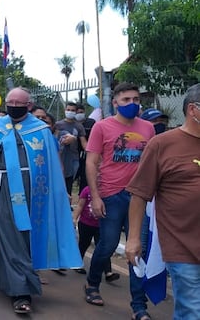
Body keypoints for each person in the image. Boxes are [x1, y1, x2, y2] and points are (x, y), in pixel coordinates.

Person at [0, 87, 81, 314]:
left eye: (19, 103)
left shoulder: (41, 130)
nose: (14, 106)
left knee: (26, 238)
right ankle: (22, 292)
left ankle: (7, 279)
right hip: (3, 189)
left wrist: (59, 192)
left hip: (35, 193)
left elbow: (53, 166)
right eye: (10, 102)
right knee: (10, 236)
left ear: (28, 105)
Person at [125, 83, 200, 320]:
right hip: (182, 245)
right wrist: (134, 238)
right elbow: (139, 194)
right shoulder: (162, 144)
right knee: (192, 310)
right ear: (193, 110)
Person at [84, 82, 154, 320]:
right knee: (108, 245)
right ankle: (92, 284)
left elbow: (151, 163)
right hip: (112, 195)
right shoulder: (102, 127)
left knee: (137, 249)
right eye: (126, 100)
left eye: (136, 99)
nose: (132, 104)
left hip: (140, 197)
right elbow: (91, 162)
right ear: (115, 103)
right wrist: (95, 196)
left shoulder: (148, 128)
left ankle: (138, 305)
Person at [72, 186, 117, 281]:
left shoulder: (108, 191)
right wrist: (74, 218)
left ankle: (108, 272)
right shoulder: (87, 190)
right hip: (85, 223)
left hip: (101, 226)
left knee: (103, 247)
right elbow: (80, 205)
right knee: (83, 244)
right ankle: (77, 263)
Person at [55, 102, 87, 200]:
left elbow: (84, 142)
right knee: (59, 181)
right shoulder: (58, 125)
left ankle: (67, 205)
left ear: (76, 112)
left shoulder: (79, 126)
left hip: (73, 158)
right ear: (65, 110)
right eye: (68, 110)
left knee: (70, 181)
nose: (70, 112)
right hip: (60, 157)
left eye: (73, 110)